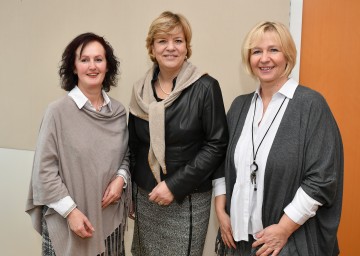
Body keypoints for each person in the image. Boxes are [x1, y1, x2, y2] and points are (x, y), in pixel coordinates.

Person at [215, 21, 343, 256]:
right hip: (239, 242)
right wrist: (221, 211)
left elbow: (322, 179)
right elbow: (220, 163)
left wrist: (284, 228)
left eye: (273, 50)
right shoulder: (239, 107)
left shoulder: (311, 105)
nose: (264, 58)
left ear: (288, 56)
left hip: (287, 244)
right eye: (257, 51)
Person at [128, 11, 228, 256]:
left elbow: (216, 144)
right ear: (152, 48)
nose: (170, 47)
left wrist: (173, 185)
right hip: (146, 197)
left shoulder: (206, 87)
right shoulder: (140, 90)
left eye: (178, 41)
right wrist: (131, 194)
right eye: (162, 41)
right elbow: (134, 146)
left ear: (187, 47)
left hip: (187, 199)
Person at [25, 32, 131, 256]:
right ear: (73, 67)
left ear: (107, 66)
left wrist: (121, 178)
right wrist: (71, 212)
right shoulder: (57, 112)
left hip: (109, 221)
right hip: (67, 221)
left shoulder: (118, 112)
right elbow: (44, 173)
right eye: (84, 60)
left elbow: (126, 155)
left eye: (98, 59)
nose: (92, 66)